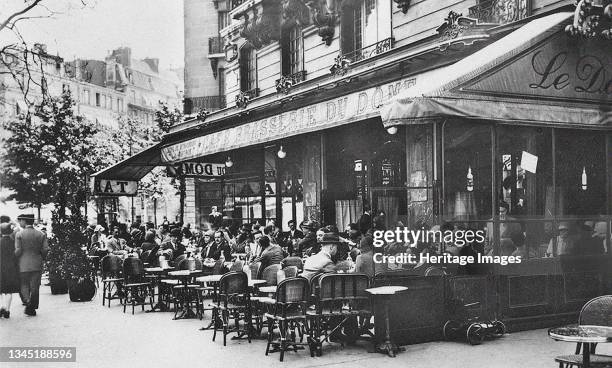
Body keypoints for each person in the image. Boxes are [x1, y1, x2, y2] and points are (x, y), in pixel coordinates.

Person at [15, 214, 49, 316]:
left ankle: (28, 301)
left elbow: (18, 250)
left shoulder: (19, 234)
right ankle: (33, 306)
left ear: (24, 221)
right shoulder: (41, 234)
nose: (20, 223)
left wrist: (16, 257)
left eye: (21, 221)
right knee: (35, 286)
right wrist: (41, 257)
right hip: (37, 264)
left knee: (24, 284)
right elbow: (45, 249)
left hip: (23, 264)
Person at [1, 223, 20, 318]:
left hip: (0, 268)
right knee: (8, 291)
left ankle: (1, 307)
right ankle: (7, 310)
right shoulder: (14, 242)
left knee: (0, 290)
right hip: (11, 269)